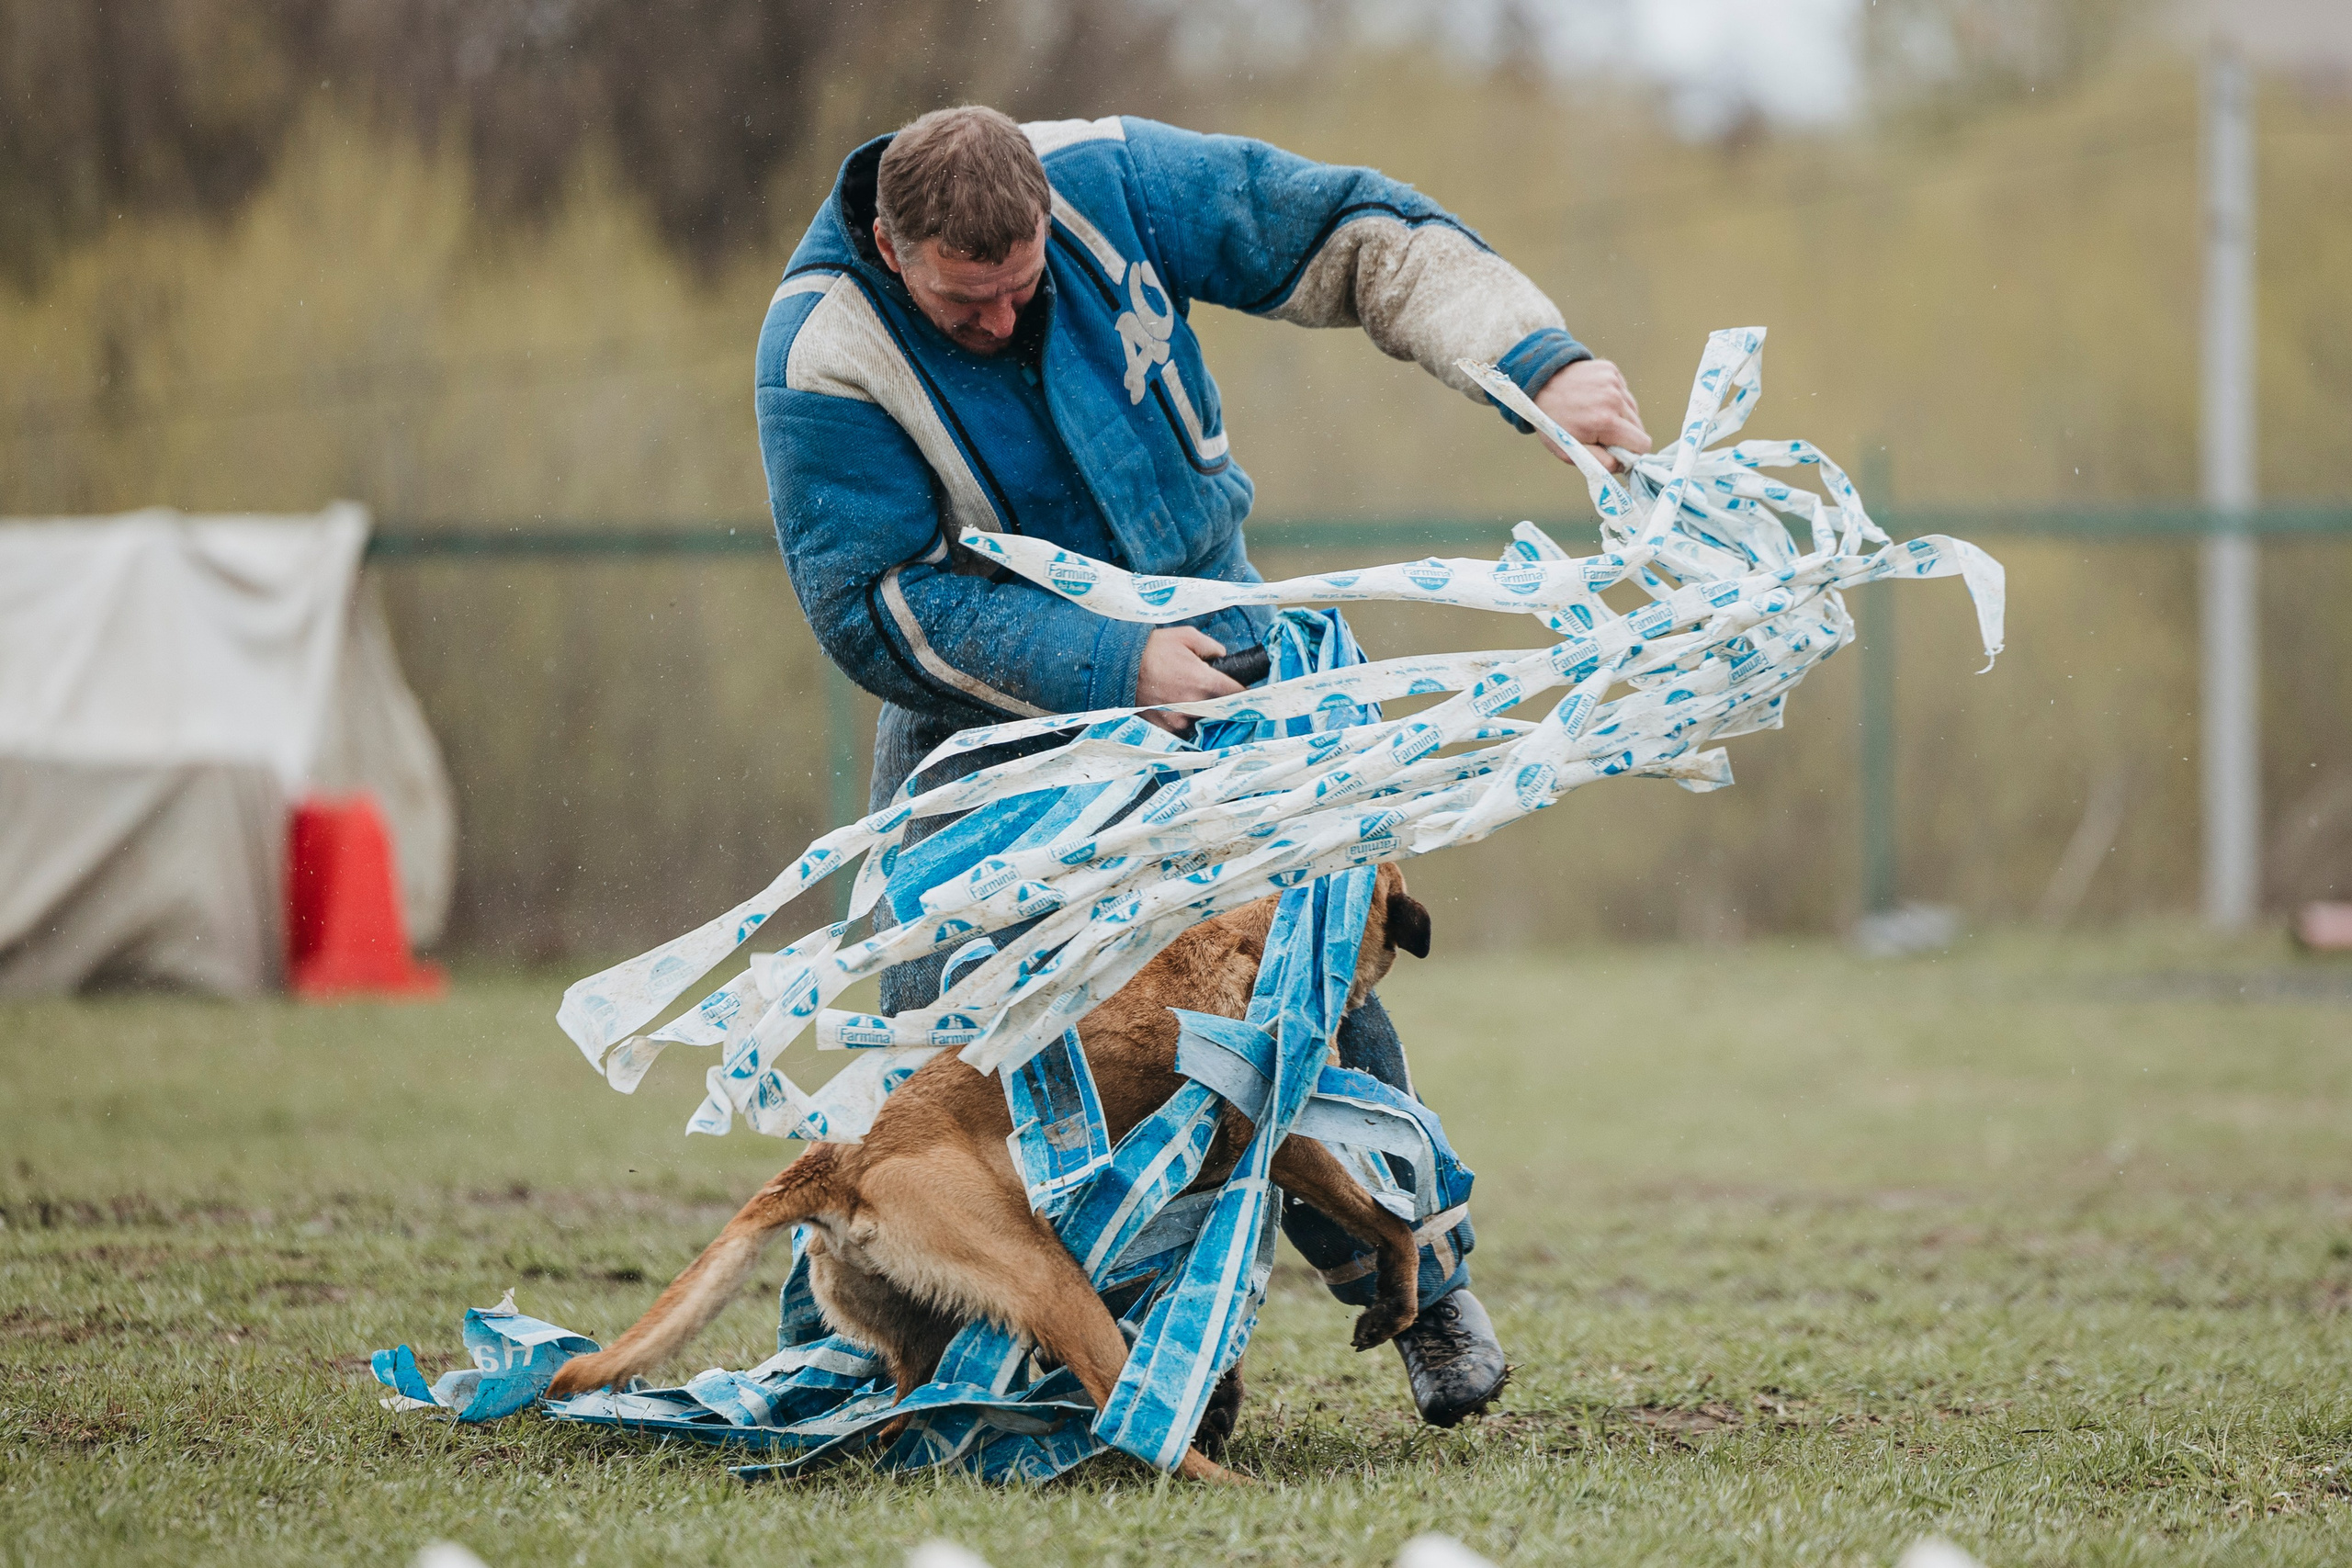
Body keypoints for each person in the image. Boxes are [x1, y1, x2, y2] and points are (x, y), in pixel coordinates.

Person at [755, 104, 1649, 1430]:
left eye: (1023, 291)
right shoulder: (824, 351)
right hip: (988, 727)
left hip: (1226, 670)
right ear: (890, 246)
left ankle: (1424, 1282)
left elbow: (1354, 233)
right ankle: (1040, 1360)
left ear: (1048, 228)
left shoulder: (1113, 183)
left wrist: (1535, 361)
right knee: (963, 1045)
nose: (1002, 324)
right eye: (966, 307)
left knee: (1297, 989)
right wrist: (1112, 668)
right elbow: (877, 604)